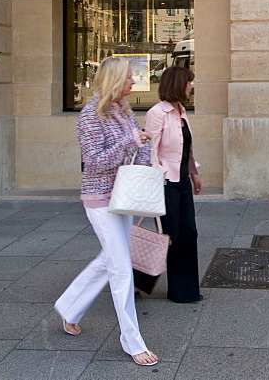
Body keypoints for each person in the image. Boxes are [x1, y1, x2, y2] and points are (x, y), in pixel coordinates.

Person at [54, 56, 160, 367]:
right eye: (129, 77)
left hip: (124, 197)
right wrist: (131, 139)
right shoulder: (90, 116)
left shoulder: (123, 111)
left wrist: (144, 157)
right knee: (121, 268)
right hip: (100, 199)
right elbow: (95, 161)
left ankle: (69, 307)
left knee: (109, 260)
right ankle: (132, 341)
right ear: (114, 79)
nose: (133, 81)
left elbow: (136, 150)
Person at [133, 66, 203, 303]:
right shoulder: (157, 113)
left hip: (181, 180)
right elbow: (149, 150)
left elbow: (186, 147)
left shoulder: (181, 111)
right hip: (165, 183)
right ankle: (167, 287)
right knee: (171, 235)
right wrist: (160, 176)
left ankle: (186, 289)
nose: (191, 86)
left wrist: (194, 173)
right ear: (178, 85)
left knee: (188, 233)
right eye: (188, 82)